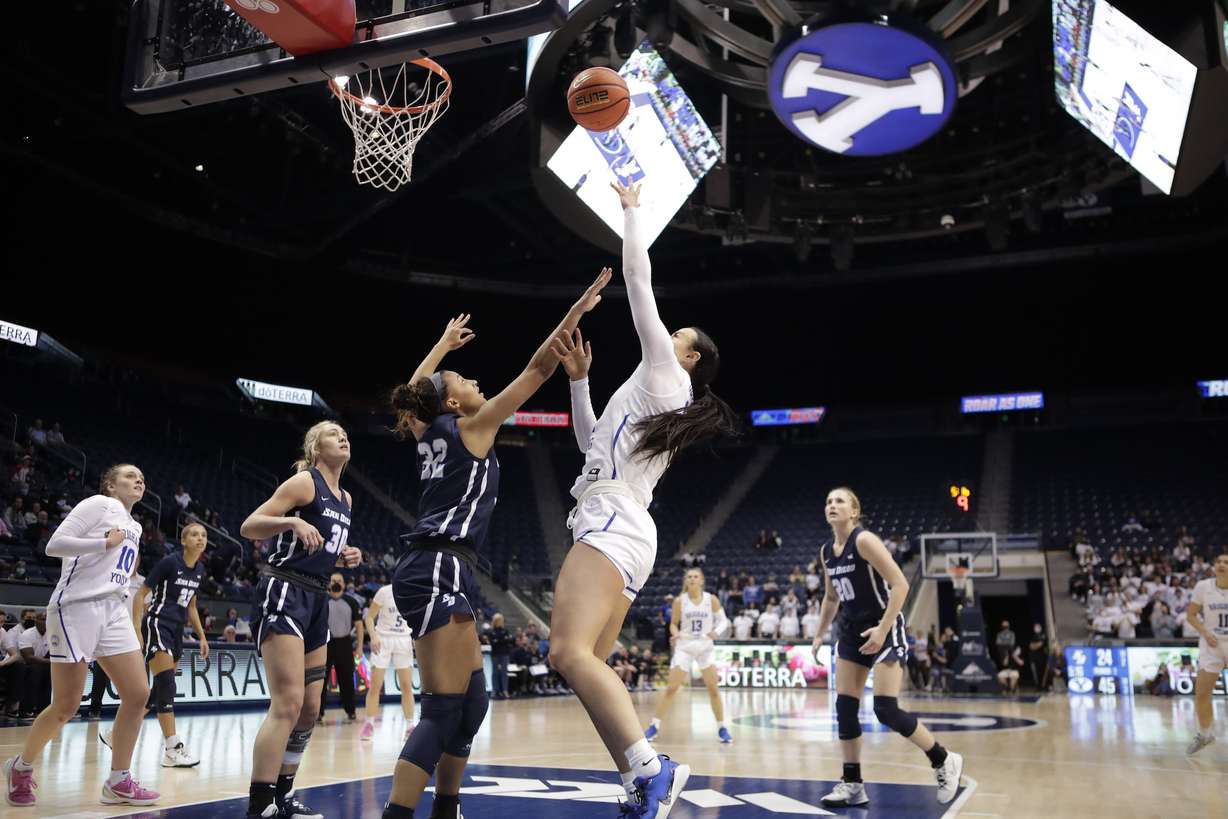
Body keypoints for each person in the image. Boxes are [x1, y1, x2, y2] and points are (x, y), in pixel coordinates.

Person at [382, 274, 608, 819]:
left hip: (438, 566)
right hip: (437, 563)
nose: (476, 379)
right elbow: (536, 368)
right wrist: (574, 310)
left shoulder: (430, 428)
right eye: (464, 378)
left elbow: (418, 389)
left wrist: (440, 349)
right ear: (455, 402)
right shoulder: (472, 425)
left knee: (473, 703)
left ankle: (448, 806)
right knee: (442, 710)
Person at [547, 182, 739, 818]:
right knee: (588, 663)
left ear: (688, 355)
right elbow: (592, 444)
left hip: (611, 517)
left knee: (566, 653)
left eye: (677, 332)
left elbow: (637, 279)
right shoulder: (659, 399)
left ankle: (652, 769)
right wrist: (580, 385)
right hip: (628, 523)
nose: (668, 330)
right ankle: (638, 780)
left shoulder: (668, 371)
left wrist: (632, 210)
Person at [4, 465, 160, 808]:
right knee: (67, 705)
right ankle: (21, 767)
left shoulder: (134, 526)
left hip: (114, 611)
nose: (139, 480)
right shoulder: (99, 505)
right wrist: (104, 542)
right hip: (77, 608)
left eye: (142, 478)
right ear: (109, 483)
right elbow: (54, 545)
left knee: (137, 695)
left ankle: (119, 782)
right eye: (130, 475)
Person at [810, 487, 963, 808]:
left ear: (854, 511)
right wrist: (819, 634)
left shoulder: (864, 540)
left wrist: (882, 629)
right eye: (828, 501)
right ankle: (852, 784)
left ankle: (943, 758)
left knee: (885, 708)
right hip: (851, 631)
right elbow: (831, 597)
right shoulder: (827, 551)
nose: (832, 505)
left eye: (839, 501)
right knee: (845, 709)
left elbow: (900, 584)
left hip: (884, 625)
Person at [240, 423, 363, 819]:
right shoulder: (303, 483)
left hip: (318, 597)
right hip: (285, 590)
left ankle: (284, 794)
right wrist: (291, 522)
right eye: (332, 434)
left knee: (311, 708)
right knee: (288, 703)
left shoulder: (346, 498)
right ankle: (259, 804)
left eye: (344, 433)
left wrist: (342, 555)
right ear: (315, 448)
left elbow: (322, 545)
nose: (342, 437)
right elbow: (250, 526)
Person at [102, 521, 208, 767]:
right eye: (194, 534)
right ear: (183, 540)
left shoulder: (200, 569)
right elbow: (140, 594)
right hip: (158, 624)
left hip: (177, 629)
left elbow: (191, 606)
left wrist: (202, 636)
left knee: (157, 693)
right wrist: (138, 628)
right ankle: (172, 748)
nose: (200, 539)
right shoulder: (170, 562)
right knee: (166, 685)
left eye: (203, 535)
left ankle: (115, 734)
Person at [643, 568, 731, 744]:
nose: (692, 579)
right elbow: (673, 624)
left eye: (696, 576)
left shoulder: (710, 599)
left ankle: (722, 727)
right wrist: (674, 633)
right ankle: (654, 726)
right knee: (671, 689)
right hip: (685, 645)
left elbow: (724, 621)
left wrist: (717, 632)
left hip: (705, 645)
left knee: (713, 689)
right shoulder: (679, 601)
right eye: (689, 577)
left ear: (701, 580)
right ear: (685, 581)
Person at [360, 583, 417, 741]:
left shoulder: (414, 591)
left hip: (403, 639)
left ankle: (410, 726)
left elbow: (417, 618)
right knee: (375, 686)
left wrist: (415, 637)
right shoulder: (384, 592)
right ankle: (369, 724)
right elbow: (369, 617)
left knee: (406, 685)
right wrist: (373, 637)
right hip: (383, 639)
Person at [1185, 551, 1228, 755]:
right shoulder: (1203, 587)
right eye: (1219, 561)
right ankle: (1205, 734)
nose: (1222, 564)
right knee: (1202, 693)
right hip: (1212, 646)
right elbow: (1191, 615)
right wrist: (1204, 632)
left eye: (1226, 562)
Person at [319, 572, 364, 722]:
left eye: (339, 580)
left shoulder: (351, 601)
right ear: (329, 583)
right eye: (333, 580)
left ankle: (351, 711)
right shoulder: (323, 600)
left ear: (344, 584)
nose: (336, 582)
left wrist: (359, 647)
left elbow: (359, 625)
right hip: (326, 644)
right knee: (321, 681)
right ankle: (318, 713)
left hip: (345, 643)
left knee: (347, 680)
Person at [488, 614, 513, 700]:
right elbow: (492, 642)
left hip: (504, 654)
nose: (501, 622)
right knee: (494, 672)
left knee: (504, 672)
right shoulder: (491, 631)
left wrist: (499, 640)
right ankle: (495, 690)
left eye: (501, 620)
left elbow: (508, 640)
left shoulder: (505, 631)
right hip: (495, 654)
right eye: (499, 620)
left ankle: (505, 690)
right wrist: (502, 640)